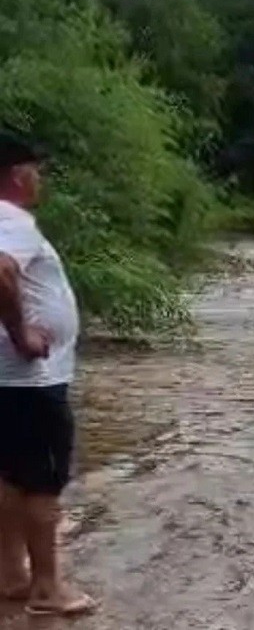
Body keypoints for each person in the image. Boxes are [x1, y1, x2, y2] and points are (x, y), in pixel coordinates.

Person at [0, 132, 95, 616]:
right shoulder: (11, 219)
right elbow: (1, 271)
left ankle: (11, 574)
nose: (40, 179)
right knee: (42, 483)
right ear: (18, 174)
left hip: (6, 381)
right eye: (36, 170)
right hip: (31, 380)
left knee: (9, 477)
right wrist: (22, 335)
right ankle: (46, 587)